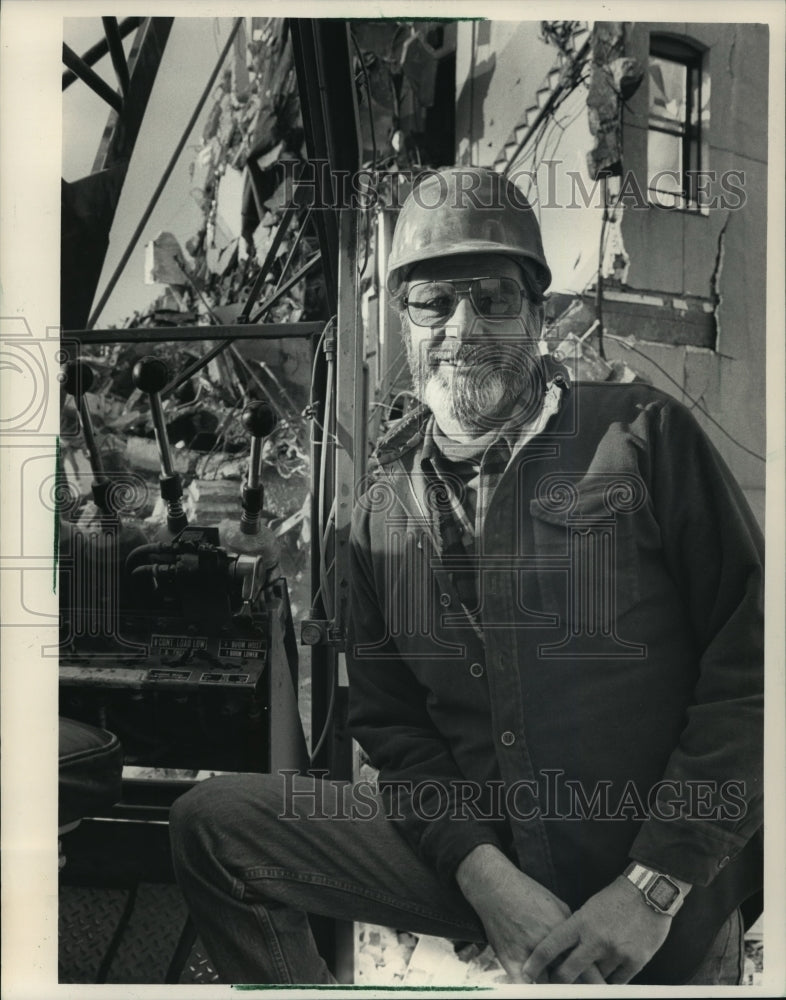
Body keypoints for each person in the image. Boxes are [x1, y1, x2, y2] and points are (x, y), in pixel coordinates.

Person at [170, 166, 763, 986]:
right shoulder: (377, 517)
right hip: (491, 868)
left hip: (662, 905)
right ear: (403, 321)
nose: (463, 329)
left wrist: (654, 888)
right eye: (434, 303)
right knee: (216, 826)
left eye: (494, 300)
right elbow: (397, 732)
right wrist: (483, 879)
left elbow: (756, 666)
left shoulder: (642, 437)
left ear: (539, 316)